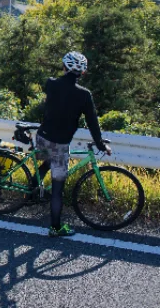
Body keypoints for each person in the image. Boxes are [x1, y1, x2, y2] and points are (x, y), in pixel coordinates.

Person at [36, 51, 111, 238]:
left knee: (47, 159)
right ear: (82, 73)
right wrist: (100, 144)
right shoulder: (84, 95)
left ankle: (32, 189)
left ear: (64, 67)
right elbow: (92, 122)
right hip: (61, 143)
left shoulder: (51, 83)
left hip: (42, 137)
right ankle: (55, 228)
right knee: (57, 189)